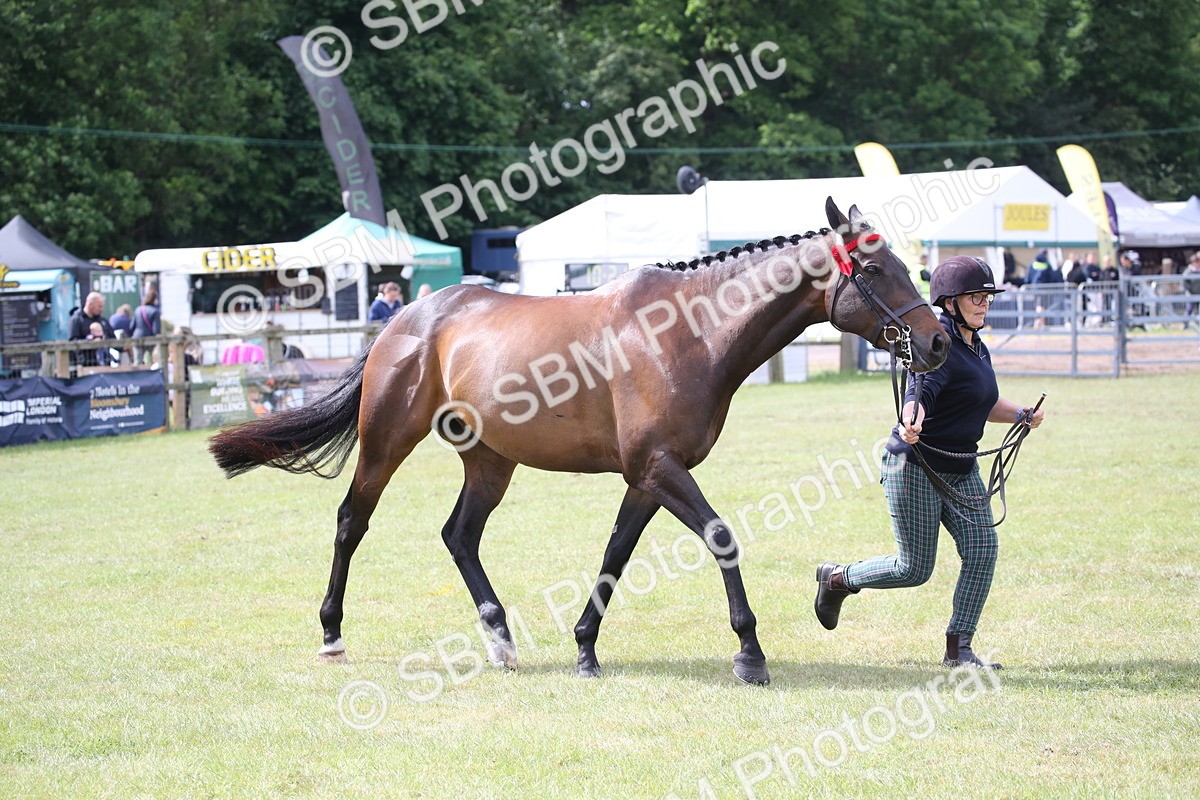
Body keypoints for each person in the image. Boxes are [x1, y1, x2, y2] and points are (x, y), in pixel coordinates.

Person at [814, 256, 1045, 669]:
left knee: (983, 551)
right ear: (950, 302)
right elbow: (920, 388)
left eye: (988, 296)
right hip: (915, 467)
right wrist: (911, 419)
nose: (984, 303)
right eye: (976, 296)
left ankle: (959, 649)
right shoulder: (936, 347)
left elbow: (984, 401)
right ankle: (837, 579)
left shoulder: (977, 347)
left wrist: (1021, 414)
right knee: (913, 568)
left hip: (960, 468)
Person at [68, 292, 116, 368]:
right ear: (90, 304)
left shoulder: (103, 321)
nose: (101, 309)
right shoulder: (76, 320)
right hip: (84, 365)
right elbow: (73, 341)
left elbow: (113, 339)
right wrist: (89, 342)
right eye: (99, 306)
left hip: (104, 364)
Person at [131, 286, 161, 364]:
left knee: (138, 360)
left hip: (137, 336)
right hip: (149, 338)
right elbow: (156, 330)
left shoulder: (138, 309)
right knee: (150, 359)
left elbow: (132, 326)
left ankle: (137, 375)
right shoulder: (155, 311)